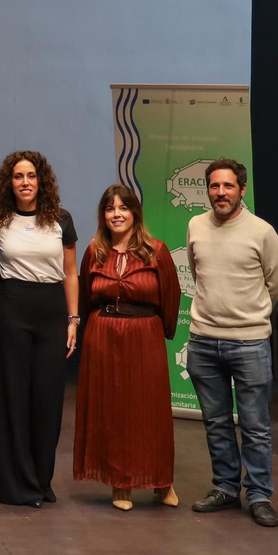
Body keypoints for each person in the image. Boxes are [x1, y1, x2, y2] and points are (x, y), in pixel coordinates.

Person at [185, 158, 278, 528]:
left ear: (241, 190)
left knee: (255, 425)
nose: (221, 193)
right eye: (214, 186)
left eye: (228, 186)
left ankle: (259, 495)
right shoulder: (196, 225)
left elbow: (277, 282)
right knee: (215, 423)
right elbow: (200, 275)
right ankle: (226, 488)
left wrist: (250, 314)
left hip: (249, 343)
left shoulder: (262, 232)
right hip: (203, 341)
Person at [73, 185, 182, 510]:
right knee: (113, 412)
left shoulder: (157, 251)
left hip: (144, 338)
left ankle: (162, 481)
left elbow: (171, 296)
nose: (116, 214)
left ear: (135, 212)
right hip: (103, 337)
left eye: (123, 208)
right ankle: (120, 484)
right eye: (110, 208)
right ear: (103, 216)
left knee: (150, 411)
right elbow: (85, 296)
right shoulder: (95, 251)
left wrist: (154, 333)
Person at [0, 150, 78, 508]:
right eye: (18, 177)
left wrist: (73, 319)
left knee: (47, 399)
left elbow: (71, 272)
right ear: (9, 183)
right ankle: (14, 485)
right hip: (11, 311)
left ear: (42, 180)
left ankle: (41, 481)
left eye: (31, 176)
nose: (25, 183)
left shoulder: (61, 219)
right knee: (13, 398)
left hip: (52, 313)